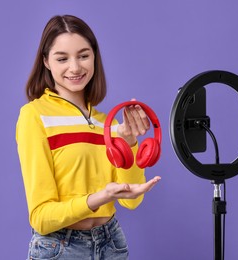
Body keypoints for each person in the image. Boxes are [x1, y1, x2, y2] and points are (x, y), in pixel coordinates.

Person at [16, 14, 161, 260]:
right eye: (62, 58)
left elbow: (131, 202)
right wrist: (99, 198)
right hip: (60, 247)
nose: (75, 67)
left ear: (94, 56)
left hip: (111, 243)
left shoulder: (109, 123)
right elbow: (41, 217)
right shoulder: (35, 116)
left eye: (83, 55)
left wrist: (129, 142)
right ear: (46, 62)